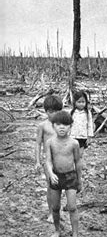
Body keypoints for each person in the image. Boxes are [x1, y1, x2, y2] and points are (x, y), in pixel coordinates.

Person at [45, 110, 83, 237]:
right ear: (53, 126)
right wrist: (50, 173)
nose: (62, 127)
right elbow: (48, 161)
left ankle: (75, 236)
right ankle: (57, 230)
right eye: (58, 124)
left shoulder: (74, 143)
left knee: (72, 207)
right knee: (55, 207)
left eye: (65, 125)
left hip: (70, 177)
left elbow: (78, 162)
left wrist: (80, 180)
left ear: (70, 126)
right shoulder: (50, 142)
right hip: (55, 177)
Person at [35, 94, 63, 222]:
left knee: (59, 187)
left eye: (57, 111)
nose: (54, 114)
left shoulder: (63, 125)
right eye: (51, 111)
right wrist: (37, 161)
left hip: (62, 160)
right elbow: (38, 144)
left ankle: (57, 211)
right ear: (46, 111)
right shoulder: (43, 126)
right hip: (49, 161)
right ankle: (51, 212)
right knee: (51, 186)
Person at [70, 90, 94, 159]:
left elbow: (90, 125)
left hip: (83, 137)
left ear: (86, 102)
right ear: (75, 102)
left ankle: (78, 168)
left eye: (83, 102)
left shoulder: (87, 113)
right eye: (79, 102)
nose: (81, 104)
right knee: (73, 154)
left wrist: (89, 136)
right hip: (73, 136)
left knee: (80, 155)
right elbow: (69, 124)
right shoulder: (72, 112)